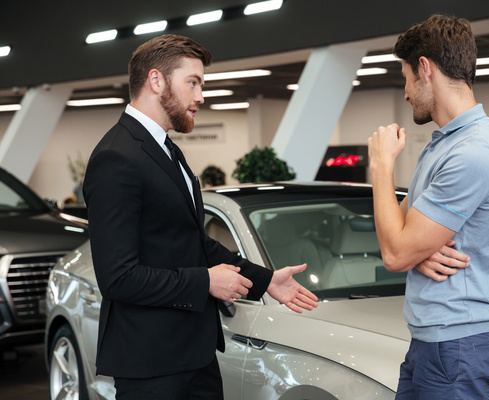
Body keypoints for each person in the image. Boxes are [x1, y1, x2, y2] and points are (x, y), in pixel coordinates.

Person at [83, 34, 318, 400]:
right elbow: (118, 277)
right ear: (156, 80)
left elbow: (192, 241)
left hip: (195, 356)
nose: (201, 96)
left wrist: (266, 280)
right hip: (151, 366)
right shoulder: (116, 158)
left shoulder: (165, 150)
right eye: (193, 83)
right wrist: (205, 282)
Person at [367, 15, 489, 400]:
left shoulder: (473, 153)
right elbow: (397, 233)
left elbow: (393, 250)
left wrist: (383, 165)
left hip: (458, 344)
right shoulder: (444, 144)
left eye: (404, 77)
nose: (405, 92)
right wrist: (417, 253)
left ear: (424, 69)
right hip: (434, 340)